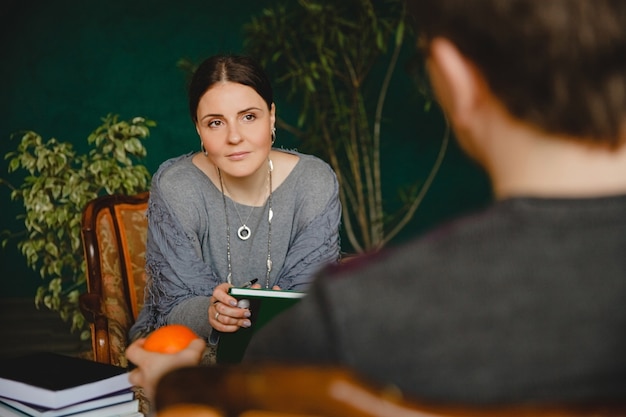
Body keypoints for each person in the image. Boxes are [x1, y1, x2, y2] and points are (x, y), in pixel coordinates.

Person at [128, 0, 626, 405]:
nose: (234, 136)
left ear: (455, 79)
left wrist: (177, 394)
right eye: (215, 122)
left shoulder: (354, 317)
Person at [128, 54, 342, 343]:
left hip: (290, 355)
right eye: (216, 122)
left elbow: (312, 296)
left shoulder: (314, 182)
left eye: (249, 117)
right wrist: (211, 313)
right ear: (198, 129)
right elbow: (171, 307)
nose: (234, 137)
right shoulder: (177, 186)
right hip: (194, 360)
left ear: (272, 116)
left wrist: (280, 310)